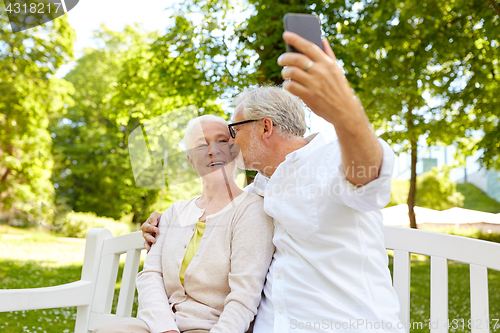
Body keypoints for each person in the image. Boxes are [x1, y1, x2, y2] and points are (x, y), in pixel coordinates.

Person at [142, 32, 404, 332]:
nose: (229, 143)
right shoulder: (260, 189)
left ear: (264, 127)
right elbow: (215, 211)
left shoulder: (333, 159)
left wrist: (344, 111)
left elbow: (369, 177)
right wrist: (165, 221)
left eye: (233, 130)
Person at [95, 115, 274, 333]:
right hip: (158, 326)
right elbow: (151, 275)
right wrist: (165, 328)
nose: (212, 150)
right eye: (201, 144)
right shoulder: (174, 213)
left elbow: (244, 296)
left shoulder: (251, 210)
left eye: (222, 141)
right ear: (190, 159)